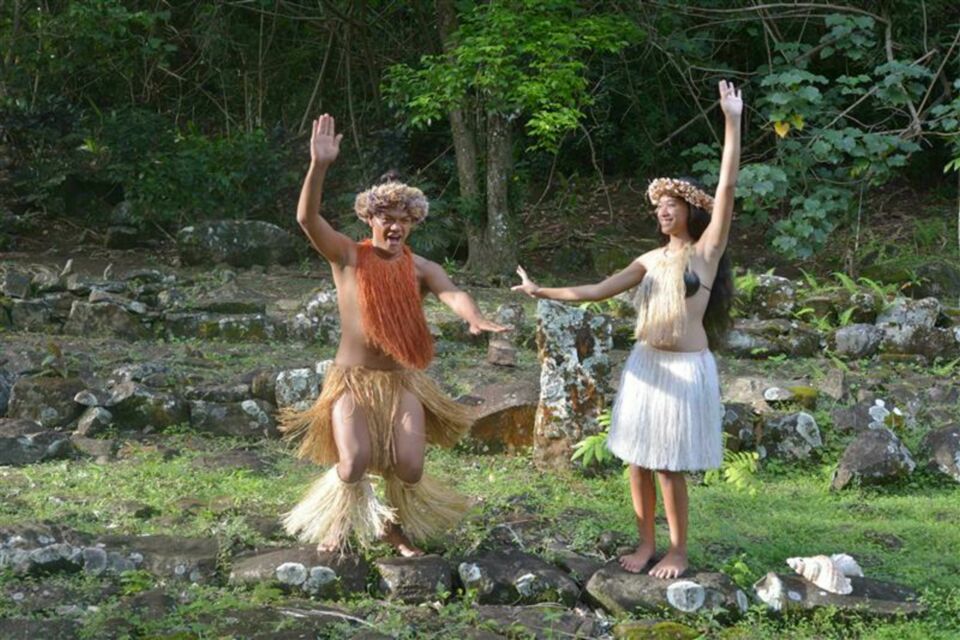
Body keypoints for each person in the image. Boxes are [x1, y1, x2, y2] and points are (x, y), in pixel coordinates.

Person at [513, 81, 741, 578]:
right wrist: (542, 291)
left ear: (691, 213)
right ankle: (644, 544)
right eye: (658, 205)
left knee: (667, 465)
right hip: (646, 365)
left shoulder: (705, 253)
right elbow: (597, 289)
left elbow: (726, 188)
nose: (663, 210)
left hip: (685, 370)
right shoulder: (648, 259)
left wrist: (732, 119)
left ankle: (678, 550)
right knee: (637, 460)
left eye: (673, 205)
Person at [282, 114, 507, 556]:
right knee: (353, 461)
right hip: (352, 379)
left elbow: (452, 293)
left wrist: (473, 316)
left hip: (402, 380)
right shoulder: (347, 256)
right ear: (370, 217)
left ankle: (394, 526)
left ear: (414, 223)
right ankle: (342, 520)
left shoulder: (422, 268)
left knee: (409, 464)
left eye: (404, 218)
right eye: (386, 215)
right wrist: (319, 165)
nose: (395, 224)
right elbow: (307, 219)